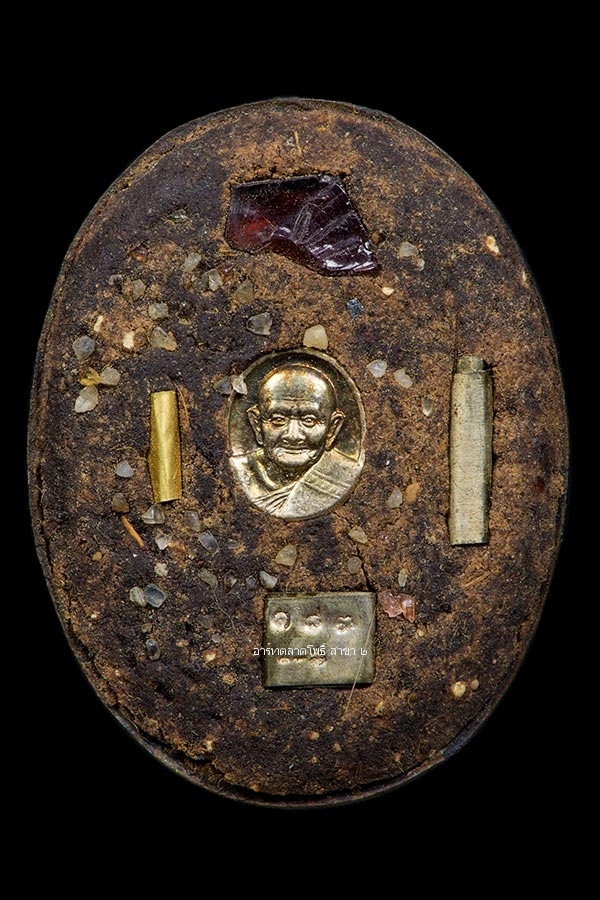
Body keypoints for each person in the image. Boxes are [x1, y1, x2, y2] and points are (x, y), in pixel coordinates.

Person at [230, 363, 363, 520]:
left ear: (332, 428)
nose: (293, 436)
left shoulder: (344, 474)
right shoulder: (241, 470)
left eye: (309, 420)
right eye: (278, 420)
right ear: (257, 425)